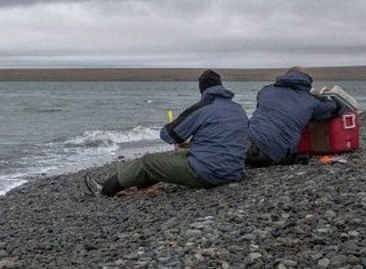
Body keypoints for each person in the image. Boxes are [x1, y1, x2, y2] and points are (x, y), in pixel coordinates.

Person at [84, 70, 248, 197]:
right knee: (173, 159)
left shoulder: (203, 107)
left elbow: (168, 134)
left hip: (210, 173)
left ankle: (104, 190)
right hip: (234, 171)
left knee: (148, 162)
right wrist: (188, 146)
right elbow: (221, 140)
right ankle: (142, 186)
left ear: (202, 89)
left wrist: (177, 128)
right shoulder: (238, 109)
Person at [246, 66, 342, 167]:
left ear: (285, 77)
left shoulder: (266, 91)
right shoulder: (311, 101)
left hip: (244, 139)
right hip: (270, 155)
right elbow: (336, 108)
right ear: (307, 81)